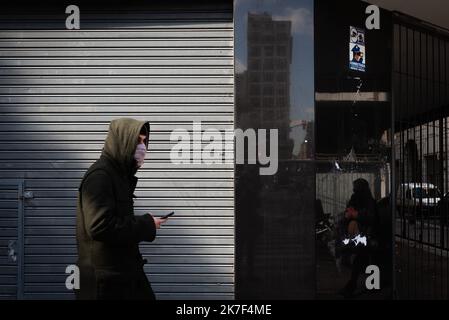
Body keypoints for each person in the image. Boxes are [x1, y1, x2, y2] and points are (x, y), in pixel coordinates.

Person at [75, 118, 167, 300]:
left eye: (144, 141)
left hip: (121, 276)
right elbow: (100, 226)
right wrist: (147, 223)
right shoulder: (100, 176)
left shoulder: (117, 175)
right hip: (104, 283)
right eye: (138, 141)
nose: (143, 147)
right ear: (123, 141)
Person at [340, 178, 379, 298]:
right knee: (361, 261)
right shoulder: (356, 199)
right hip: (360, 236)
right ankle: (363, 286)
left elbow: (372, 218)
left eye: (357, 189)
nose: (354, 191)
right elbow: (348, 213)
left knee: (363, 261)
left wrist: (356, 215)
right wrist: (349, 214)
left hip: (368, 236)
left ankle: (360, 286)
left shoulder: (369, 201)